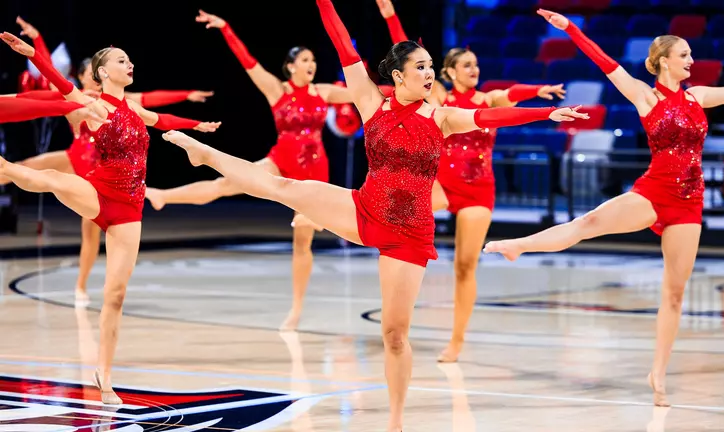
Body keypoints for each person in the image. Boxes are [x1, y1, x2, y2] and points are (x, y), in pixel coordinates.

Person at [156, 1, 586, 429]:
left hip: (410, 233)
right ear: (397, 76)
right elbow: (343, 44)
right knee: (283, 188)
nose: (429, 72)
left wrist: (545, 112)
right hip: (364, 209)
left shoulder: (443, 117)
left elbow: (490, 114)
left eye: (431, 66)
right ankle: (205, 153)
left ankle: (395, 422)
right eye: (420, 67)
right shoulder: (368, 100)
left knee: (395, 336)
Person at [484, 9, 724, 406]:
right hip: (654, 192)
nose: (691, 61)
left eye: (691, 55)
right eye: (684, 55)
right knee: (590, 221)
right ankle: (520, 244)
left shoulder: (698, 96)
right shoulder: (643, 94)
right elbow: (603, 60)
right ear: (664, 61)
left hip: (690, 202)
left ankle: (659, 373)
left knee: (674, 293)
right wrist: (570, 29)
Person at [1, 32, 221, 404]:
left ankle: (104, 377)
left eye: (129, 59)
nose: (129, 64)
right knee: (52, 179)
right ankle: (3, 167)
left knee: (116, 295)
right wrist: (35, 55)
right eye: (121, 60)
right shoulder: (93, 104)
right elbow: (61, 84)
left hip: (130, 209)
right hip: (100, 192)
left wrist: (194, 125)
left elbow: (162, 117)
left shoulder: (134, 108)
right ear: (102, 72)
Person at [143, 9, 386, 331]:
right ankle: (163, 196)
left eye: (313, 60)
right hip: (279, 158)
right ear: (290, 66)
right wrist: (226, 27)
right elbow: (248, 62)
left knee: (303, 242)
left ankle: (297, 308)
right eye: (305, 61)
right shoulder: (277, 90)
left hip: (314, 169)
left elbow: (366, 92)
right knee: (225, 183)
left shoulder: (323, 92)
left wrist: (404, 86)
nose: (311, 65)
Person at [375, 0, 566, 363]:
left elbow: (510, 97)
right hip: (442, 186)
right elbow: (408, 58)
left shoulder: (487, 97)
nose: (474, 69)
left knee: (465, 265)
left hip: (479, 190)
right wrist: (390, 16)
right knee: (392, 206)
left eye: (476, 64)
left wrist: (538, 91)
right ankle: (351, 220)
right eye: (466, 65)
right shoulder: (442, 98)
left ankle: (457, 341)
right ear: (448, 72)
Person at [8, 16, 214, 305]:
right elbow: (56, 79)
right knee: (30, 170)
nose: (86, 79)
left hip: (100, 166)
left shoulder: (125, 102)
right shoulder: (81, 99)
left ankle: (82, 286)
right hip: (78, 157)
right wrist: (36, 47)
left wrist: (191, 110)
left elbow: (156, 107)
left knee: (89, 232)